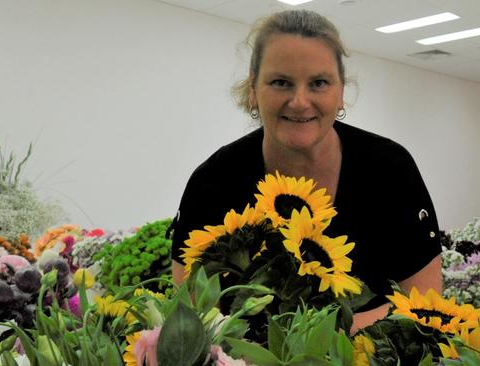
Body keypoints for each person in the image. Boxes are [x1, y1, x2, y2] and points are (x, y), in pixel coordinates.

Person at [170, 9, 442, 333]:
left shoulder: (391, 172)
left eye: (319, 83)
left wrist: (319, 341)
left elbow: (426, 304)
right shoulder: (213, 183)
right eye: (281, 82)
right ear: (253, 91)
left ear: (341, 92)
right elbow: (190, 322)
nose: (299, 101)